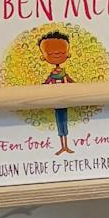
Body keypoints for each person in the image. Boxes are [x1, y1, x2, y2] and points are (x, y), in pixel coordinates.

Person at [38, 28, 74, 156]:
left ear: (67, 53)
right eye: (51, 53)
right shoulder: (52, 75)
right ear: (43, 56)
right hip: (56, 102)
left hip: (65, 100)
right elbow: (46, 84)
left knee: (64, 122)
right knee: (60, 123)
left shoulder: (64, 74)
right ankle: (63, 146)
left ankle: (66, 146)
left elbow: (72, 83)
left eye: (61, 52)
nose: (57, 54)